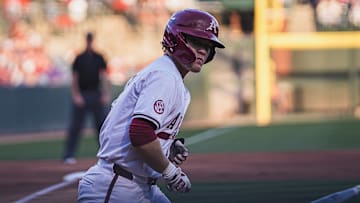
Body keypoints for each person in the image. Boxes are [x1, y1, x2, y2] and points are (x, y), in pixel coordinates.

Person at [77, 8, 225, 203]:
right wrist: (170, 171)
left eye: (208, 46)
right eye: (196, 41)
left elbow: (144, 132)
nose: (203, 51)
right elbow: (140, 133)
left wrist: (167, 147)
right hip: (117, 186)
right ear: (176, 38)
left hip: (136, 184)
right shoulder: (165, 76)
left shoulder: (168, 73)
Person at [63, 32, 111, 164]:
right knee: (76, 126)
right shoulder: (79, 58)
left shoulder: (99, 57)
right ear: (86, 41)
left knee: (102, 126)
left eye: (91, 40)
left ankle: (106, 155)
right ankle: (69, 155)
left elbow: (104, 76)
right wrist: (76, 95)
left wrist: (105, 93)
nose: (90, 42)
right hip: (83, 94)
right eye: (88, 40)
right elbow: (74, 78)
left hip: (96, 93)